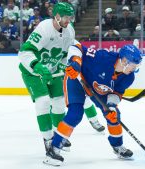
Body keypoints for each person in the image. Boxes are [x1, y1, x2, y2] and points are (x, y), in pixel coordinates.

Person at [18, 2, 104, 161]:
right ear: (56, 16)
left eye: (70, 17)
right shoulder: (44, 28)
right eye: (66, 17)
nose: (68, 20)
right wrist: (37, 66)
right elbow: (24, 52)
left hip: (54, 71)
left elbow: (66, 53)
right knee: (43, 101)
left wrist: (69, 65)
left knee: (58, 102)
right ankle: (48, 140)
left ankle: (59, 136)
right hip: (33, 71)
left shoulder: (69, 30)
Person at [43, 44, 142, 166]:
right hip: (77, 80)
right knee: (75, 114)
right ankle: (53, 149)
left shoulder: (129, 77)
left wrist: (111, 106)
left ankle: (118, 147)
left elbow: (116, 93)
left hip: (97, 89)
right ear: (124, 61)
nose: (135, 68)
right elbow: (77, 47)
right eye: (133, 65)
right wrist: (75, 61)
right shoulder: (103, 57)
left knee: (114, 115)